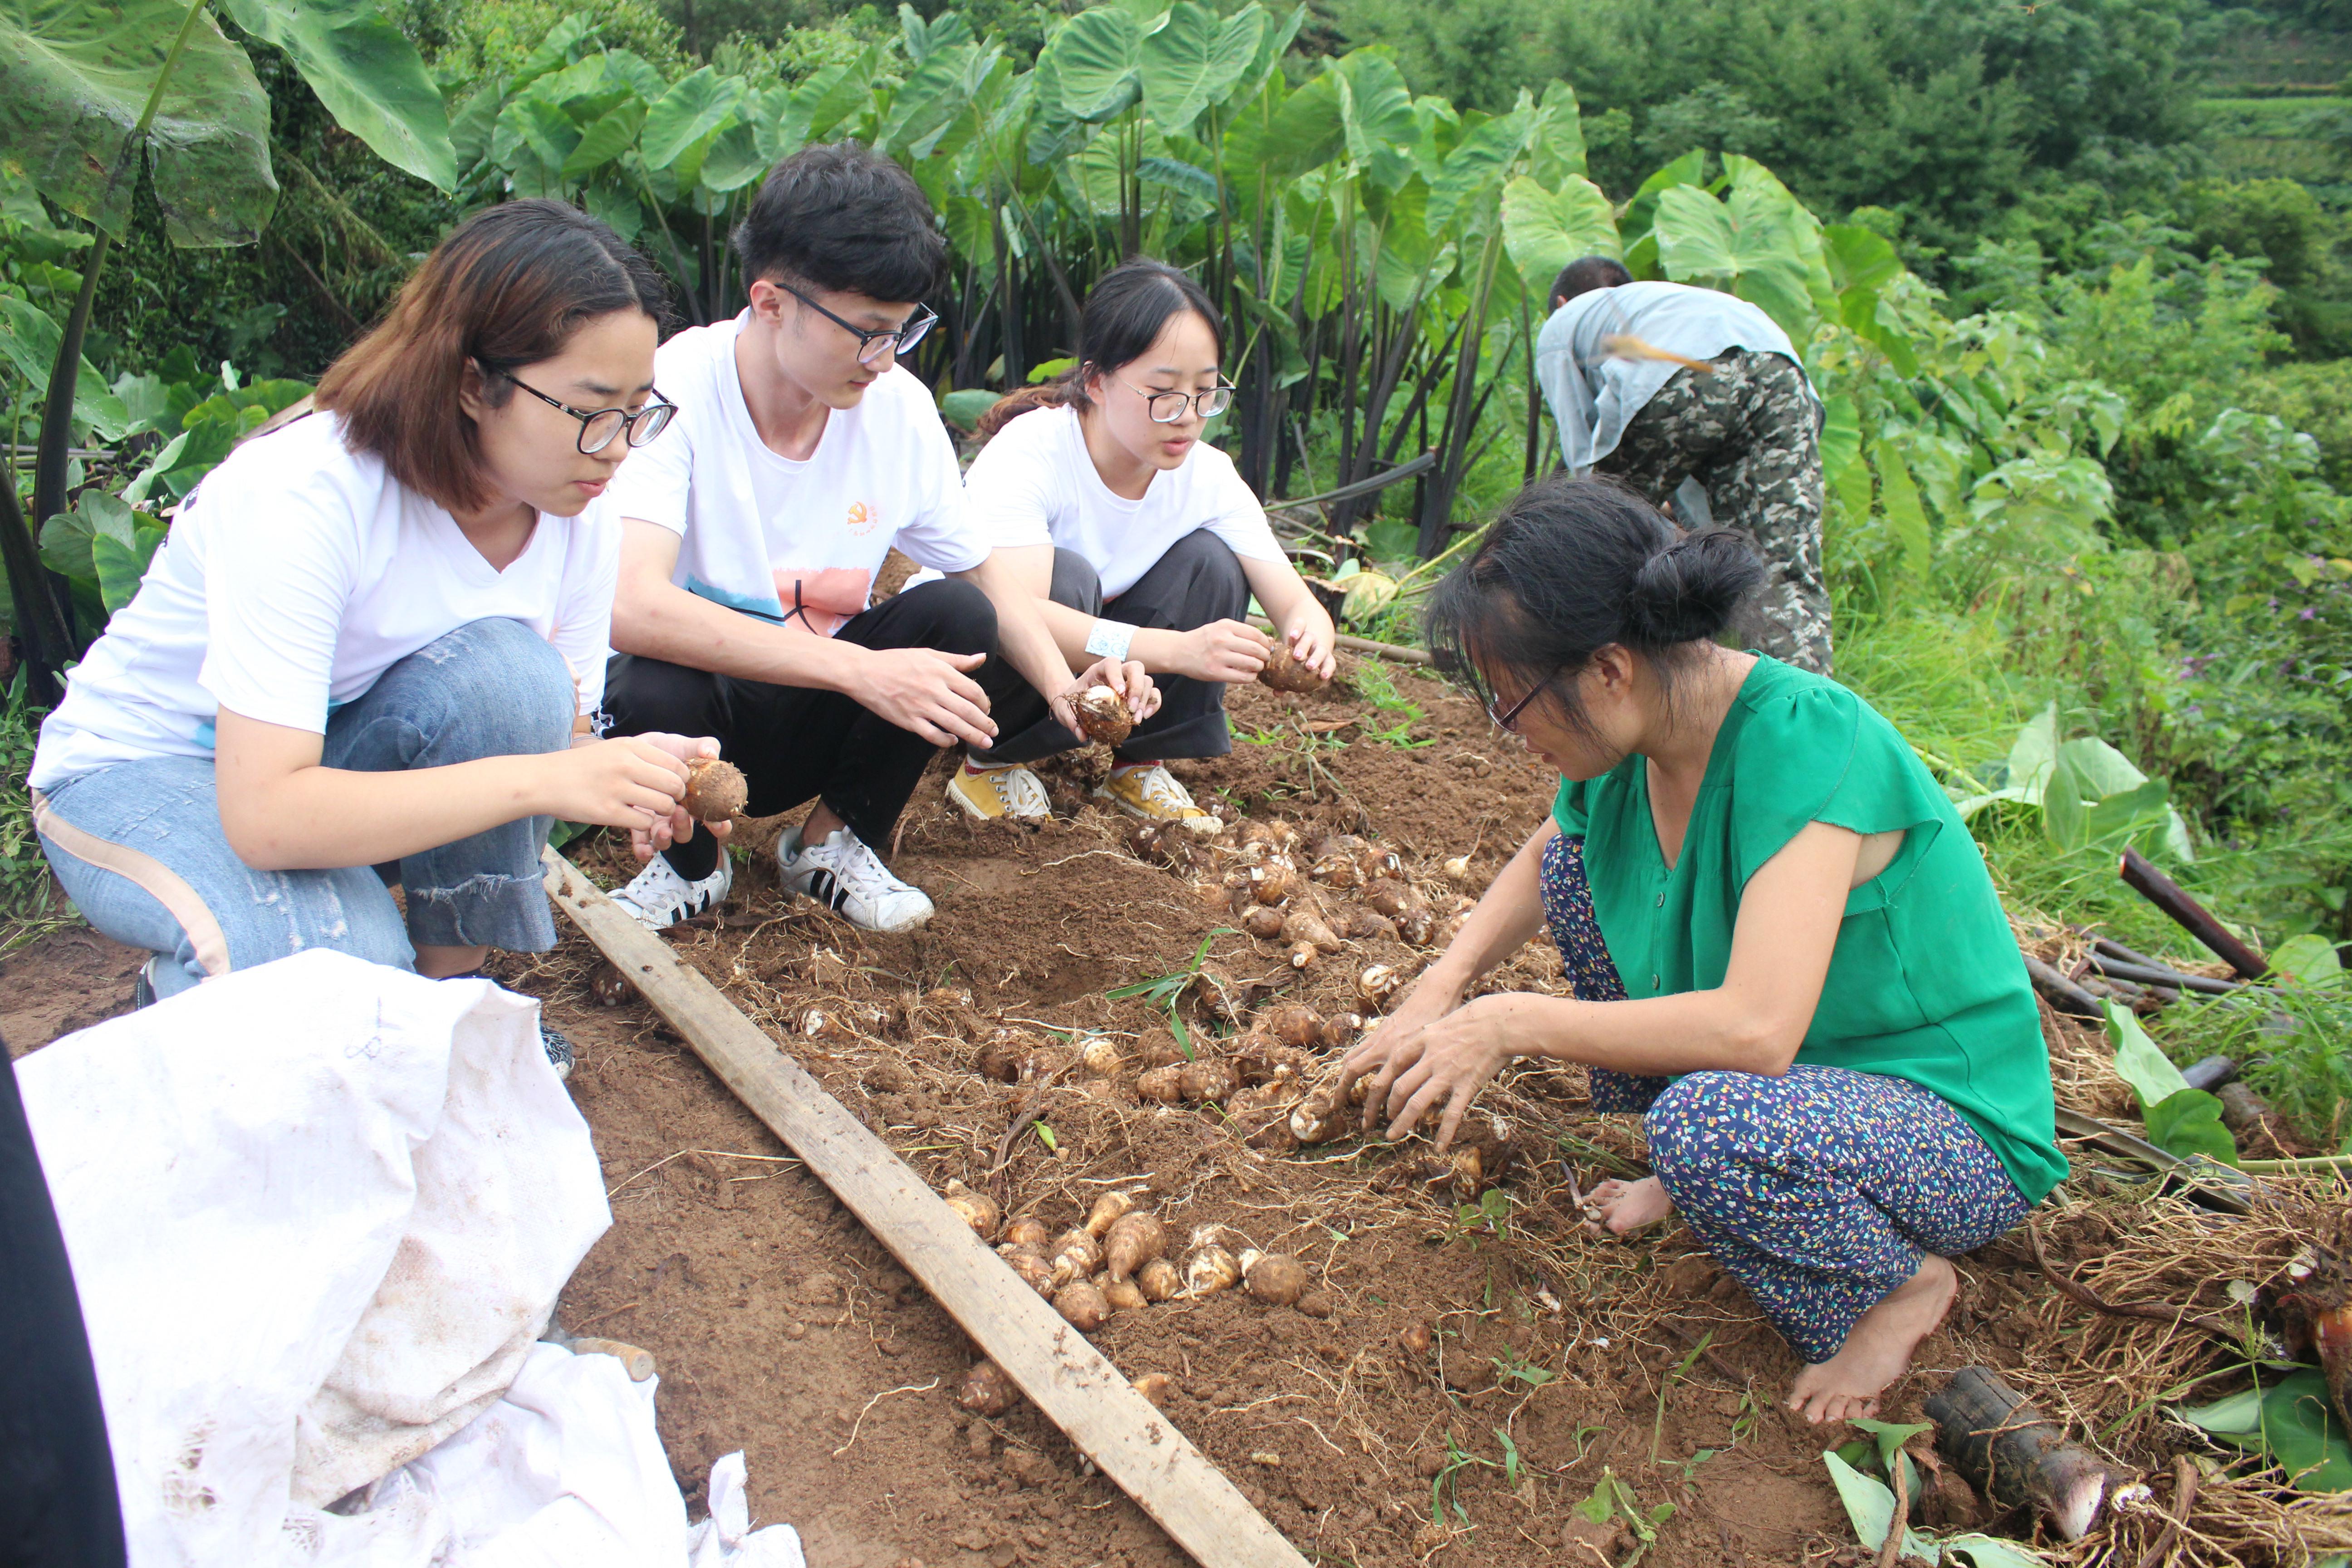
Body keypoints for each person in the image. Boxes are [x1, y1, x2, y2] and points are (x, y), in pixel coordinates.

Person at [1335, 476, 2064, 1424]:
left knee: (1709, 1125)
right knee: (1574, 874)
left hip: (1945, 1126)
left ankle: (1898, 1286)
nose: (1510, 735)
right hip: (1800, 1088)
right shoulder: (1640, 735)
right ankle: (1694, 1170)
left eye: (1516, 705)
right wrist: (1440, 986)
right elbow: (1549, 851)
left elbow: (1758, 1031)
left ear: (1609, 669)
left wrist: (1508, 1021)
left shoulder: (1806, 742)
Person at [28, 201, 725, 1068]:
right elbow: (266, 819)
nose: (618, 449)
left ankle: (449, 999)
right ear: (471, 384)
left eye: (638, 411)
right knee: (332, 973)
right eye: (591, 410)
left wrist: (631, 772)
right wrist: (547, 777)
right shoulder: (307, 495)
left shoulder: (577, 516)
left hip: (318, 759)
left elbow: (560, 733)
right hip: (144, 773)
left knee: (515, 676)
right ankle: (194, 1003)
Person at [603, 144, 1151, 932]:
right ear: (771, 303)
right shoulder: (677, 388)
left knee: (959, 617)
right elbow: (631, 604)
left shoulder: (897, 410)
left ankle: (832, 843)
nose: (885, 359)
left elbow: (984, 575)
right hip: (700, 727)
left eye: (901, 330)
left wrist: (1064, 687)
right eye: (866, 332)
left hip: (816, 716)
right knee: (650, 675)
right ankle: (690, 864)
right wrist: (862, 671)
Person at [949, 259, 1337, 826]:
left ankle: (1136, 765)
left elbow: (1294, 599)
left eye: (1205, 393)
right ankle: (992, 761)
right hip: (972, 663)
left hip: (1103, 657)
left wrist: (1310, 638)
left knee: (1213, 564)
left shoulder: (1207, 475)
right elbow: (1015, 612)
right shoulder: (1032, 453)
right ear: (1096, 382)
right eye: (1163, 394)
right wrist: (1176, 650)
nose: (1188, 418)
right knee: (1069, 578)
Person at [1534, 256, 1831, 673]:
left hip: (1683, 374)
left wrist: (1554, 518)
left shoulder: (1565, 321)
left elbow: (1579, 447)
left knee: (1594, 540)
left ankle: (1564, 669)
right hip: (1783, 377)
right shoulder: (1669, 301)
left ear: (1562, 303)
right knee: (1782, 570)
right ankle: (1801, 699)